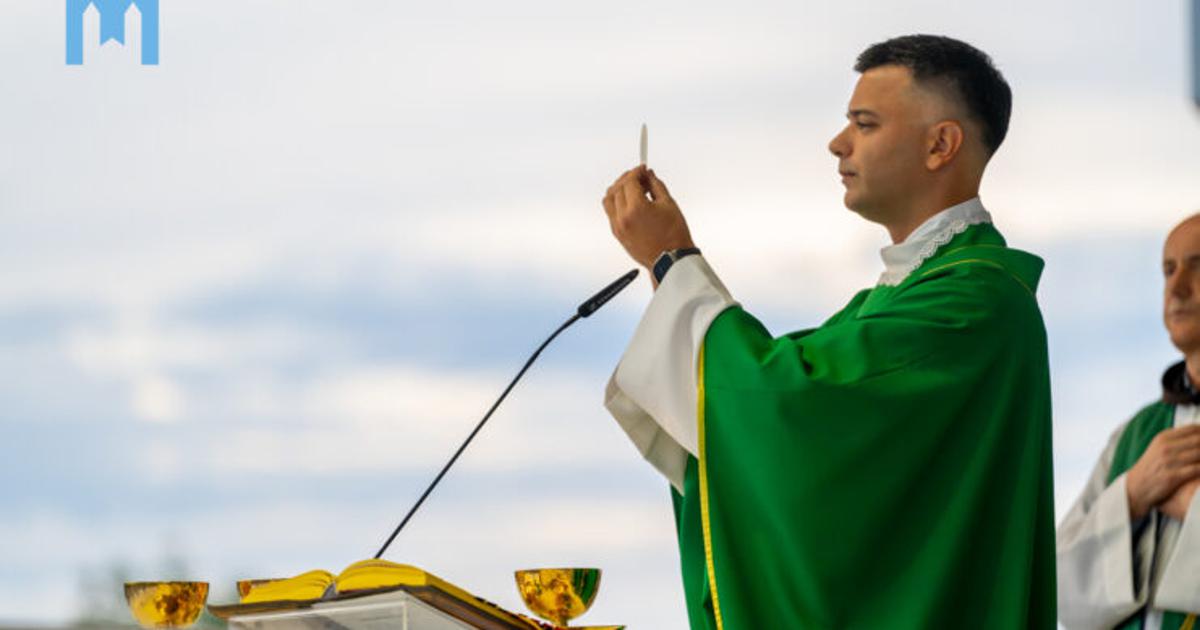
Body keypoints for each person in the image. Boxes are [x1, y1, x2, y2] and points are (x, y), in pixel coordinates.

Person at [600, 34, 1055, 628]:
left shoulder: (974, 303)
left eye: (864, 124)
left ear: (940, 144)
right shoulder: (897, 301)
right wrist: (671, 270)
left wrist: (672, 259)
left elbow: (786, 406)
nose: (838, 143)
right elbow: (779, 392)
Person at [1057, 215, 1200, 630]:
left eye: (1198, 266)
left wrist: (1190, 505)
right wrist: (1133, 494)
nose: (1177, 288)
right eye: (1168, 270)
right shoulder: (1134, 437)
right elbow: (1062, 590)